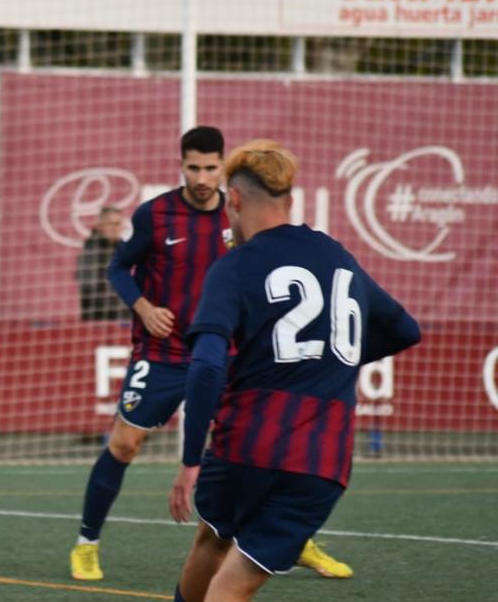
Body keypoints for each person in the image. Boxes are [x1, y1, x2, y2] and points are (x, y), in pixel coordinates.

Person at [69, 126, 352, 581]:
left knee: (260, 444)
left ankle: (297, 542)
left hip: (225, 353)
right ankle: (87, 543)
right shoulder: (155, 215)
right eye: (193, 167)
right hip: (162, 351)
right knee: (123, 444)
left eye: (210, 168)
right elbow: (118, 267)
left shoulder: (239, 214)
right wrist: (142, 306)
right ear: (181, 165)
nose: (202, 177)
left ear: (223, 167)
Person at [167, 140, 421, 601]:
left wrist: (189, 462)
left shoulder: (236, 265)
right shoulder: (337, 256)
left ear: (237, 199)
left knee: (213, 542)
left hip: (249, 441)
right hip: (324, 459)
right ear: (289, 200)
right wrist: (327, 362)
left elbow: (205, 367)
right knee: (237, 578)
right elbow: (405, 329)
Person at [75, 207, 127, 321]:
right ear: (100, 226)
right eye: (110, 224)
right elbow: (89, 287)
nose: (114, 228)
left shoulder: (121, 249)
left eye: (117, 224)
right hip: (100, 320)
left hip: (120, 318)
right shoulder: (92, 250)